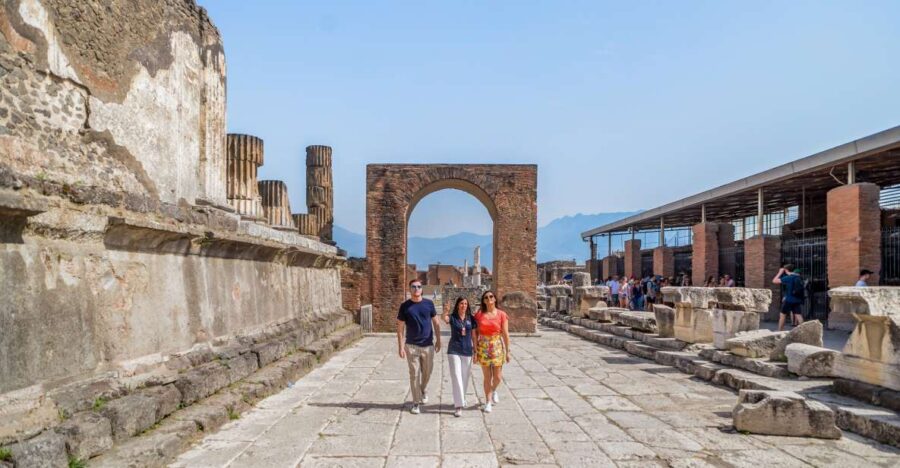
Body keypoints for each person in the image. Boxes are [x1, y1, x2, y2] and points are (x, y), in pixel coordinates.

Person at [397, 279, 442, 414]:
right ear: (410, 289)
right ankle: (415, 403)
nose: (416, 289)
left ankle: (423, 389)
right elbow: (400, 328)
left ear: (422, 289)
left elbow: (436, 322)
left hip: (428, 345)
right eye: (413, 287)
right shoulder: (405, 306)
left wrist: (439, 340)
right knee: (414, 374)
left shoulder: (429, 304)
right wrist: (400, 346)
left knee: (427, 373)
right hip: (411, 346)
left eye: (418, 286)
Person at [473, 290, 510, 413]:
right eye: (486, 297)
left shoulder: (501, 314)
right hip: (483, 346)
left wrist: (508, 351)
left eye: (491, 296)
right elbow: (475, 333)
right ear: (483, 301)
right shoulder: (479, 315)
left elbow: (505, 334)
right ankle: (488, 402)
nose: (489, 298)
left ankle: (494, 390)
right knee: (487, 377)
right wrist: (475, 351)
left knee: (498, 377)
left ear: (494, 299)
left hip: (497, 346)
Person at [442, 297, 477, 417]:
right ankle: (458, 406)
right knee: (456, 376)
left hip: (467, 350)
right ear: (458, 305)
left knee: (465, 377)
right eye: (461, 303)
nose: (463, 305)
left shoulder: (471, 319)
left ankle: (462, 398)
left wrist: (476, 351)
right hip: (454, 350)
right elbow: (445, 319)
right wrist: (445, 311)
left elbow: (473, 336)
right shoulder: (453, 317)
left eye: (465, 304)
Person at [773, 264, 804, 331]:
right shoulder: (798, 277)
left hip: (789, 300)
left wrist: (780, 272)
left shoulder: (789, 277)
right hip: (797, 299)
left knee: (782, 314)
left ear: (786, 270)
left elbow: (774, 281)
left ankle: (780, 330)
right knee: (799, 315)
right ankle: (804, 331)